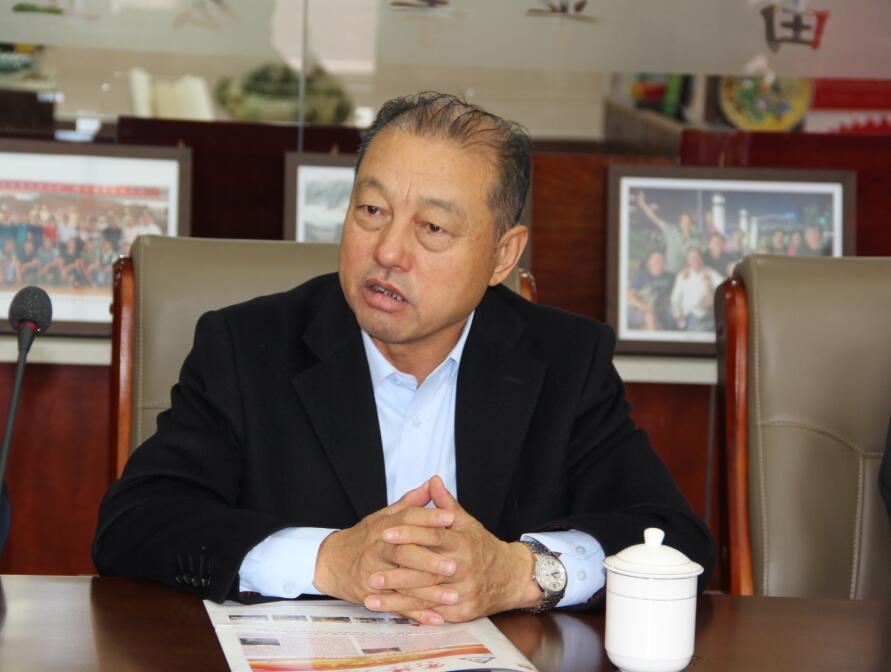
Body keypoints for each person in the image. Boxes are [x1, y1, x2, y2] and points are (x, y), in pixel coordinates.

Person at [93, 92, 713, 625]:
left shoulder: (566, 361)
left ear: (503, 255)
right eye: (372, 211)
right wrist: (328, 560)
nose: (388, 251)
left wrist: (519, 572)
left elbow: (673, 540)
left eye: (432, 228)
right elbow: (136, 523)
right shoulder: (246, 346)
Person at [635, 191, 702, 274]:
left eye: (688, 221)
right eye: (683, 221)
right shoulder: (671, 231)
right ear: (679, 222)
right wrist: (643, 205)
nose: (685, 224)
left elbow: (697, 260)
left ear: (692, 224)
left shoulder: (696, 240)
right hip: (668, 272)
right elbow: (655, 218)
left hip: (685, 275)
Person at [670, 247, 723, 331]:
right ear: (688, 260)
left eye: (697, 257)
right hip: (687, 316)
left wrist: (714, 295)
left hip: (707, 315)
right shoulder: (682, 275)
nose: (695, 260)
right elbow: (675, 299)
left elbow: (725, 287)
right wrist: (678, 314)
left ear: (702, 259)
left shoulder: (709, 273)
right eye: (692, 258)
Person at [627, 249, 674, 331]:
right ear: (649, 261)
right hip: (642, 309)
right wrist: (646, 307)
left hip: (663, 310)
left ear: (665, 262)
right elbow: (630, 298)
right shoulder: (640, 276)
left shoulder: (671, 277)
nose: (659, 262)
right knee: (649, 316)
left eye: (662, 259)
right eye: (656, 259)